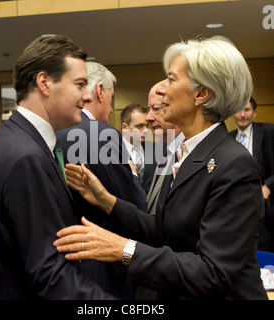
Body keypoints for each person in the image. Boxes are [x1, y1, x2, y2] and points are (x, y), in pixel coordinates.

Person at [54, 36, 268, 300]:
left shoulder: (235, 165)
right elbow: (163, 232)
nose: (162, 89)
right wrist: (107, 201)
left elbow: (214, 274)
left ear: (201, 94)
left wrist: (122, 248)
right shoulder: (184, 154)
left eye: (171, 79)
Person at [0, 35, 116, 300]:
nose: (86, 95)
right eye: (80, 84)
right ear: (45, 83)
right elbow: (49, 272)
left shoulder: (7, 138)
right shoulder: (26, 156)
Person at [56, 62, 147, 299]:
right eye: (111, 97)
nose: (111, 108)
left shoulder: (55, 131)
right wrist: (133, 173)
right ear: (99, 92)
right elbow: (135, 208)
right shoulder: (101, 134)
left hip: (63, 261)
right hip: (104, 265)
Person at [230, 97, 274, 252]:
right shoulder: (228, 138)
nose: (242, 115)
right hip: (235, 208)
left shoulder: (269, 132)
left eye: (247, 110)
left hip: (263, 209)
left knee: (263, 252)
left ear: (255, 113)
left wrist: (268, 186)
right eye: (239, 110)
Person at [146, 82, 184, 216]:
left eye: (156, 108)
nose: (148, 117)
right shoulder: (167, 152)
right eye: (148, 109)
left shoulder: (186, 154)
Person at [121, 103, 157, 194]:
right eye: (140, 126)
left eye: (147, 126)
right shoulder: (112, 151)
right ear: (125, 127)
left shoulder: (157, 150)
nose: (145, 130)